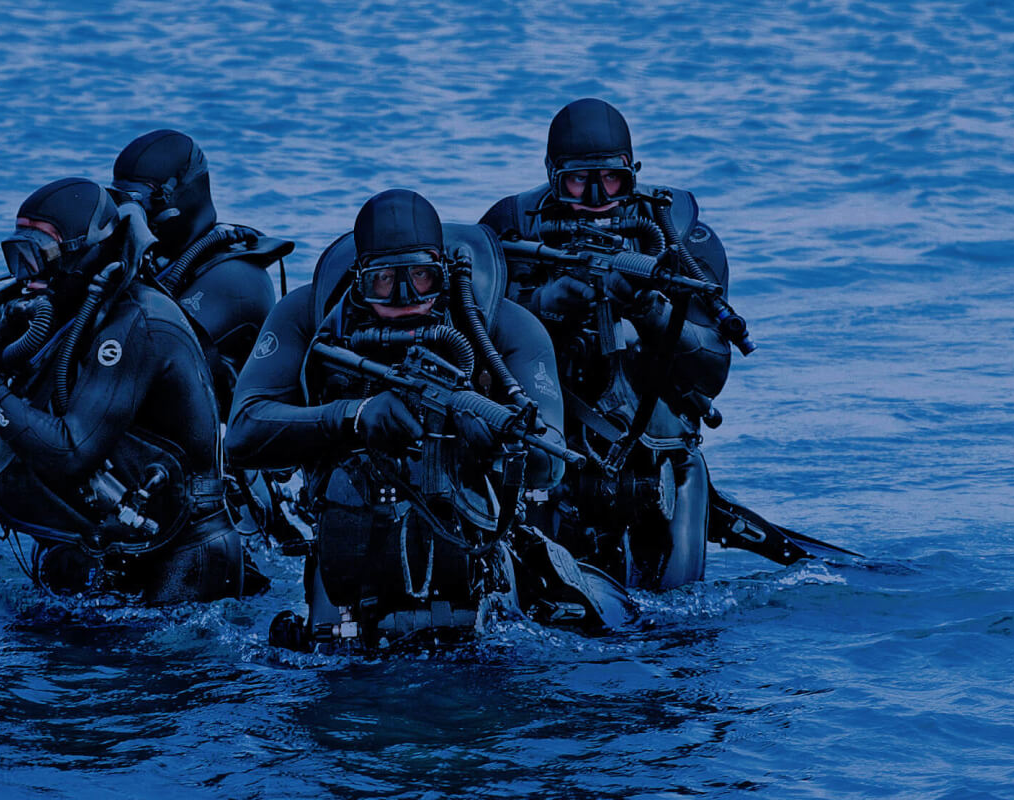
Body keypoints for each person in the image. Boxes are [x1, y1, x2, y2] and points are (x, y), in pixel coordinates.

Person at [228, 189, 631, 649]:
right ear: (358, 279)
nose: (404, 297)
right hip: (347, 561)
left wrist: (493, 442)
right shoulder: (308, 317)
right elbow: (243, 431)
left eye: (421, 277)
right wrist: (351, 417)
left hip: (478, 556)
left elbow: (552, 461)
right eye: (384, 281)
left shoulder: (503, 325)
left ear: (444, 273)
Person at [0, 177, 249, 602]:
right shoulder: (72, 311)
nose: (26, 275)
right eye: (17, 255)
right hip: (119, 544)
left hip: (181, 556)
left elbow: (72, 450)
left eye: (39, 255)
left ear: (87, 252)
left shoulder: (138, 322)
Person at [480, 98, 734, 591]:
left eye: (612, 180)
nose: (597, 196)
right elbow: (471, 346)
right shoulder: (511, 226)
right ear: (553, 176)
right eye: (578, 181)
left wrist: (650, 310)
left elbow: (713, 369)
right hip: (551, 444)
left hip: (659, 454)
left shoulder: (676, 234)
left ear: (632, 174)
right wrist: (539, 305)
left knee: (678, 625)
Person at [110, 130, 293, 412]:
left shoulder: (236, 280)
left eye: (147, 198)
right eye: (122, 199)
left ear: (185, 195)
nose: (135, 213)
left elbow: (152, 351)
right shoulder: (154, 260)